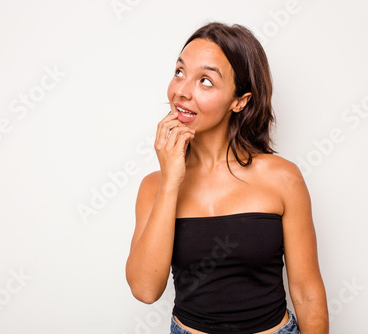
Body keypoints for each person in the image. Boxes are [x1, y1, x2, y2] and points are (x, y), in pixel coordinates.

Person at [125, 22, 329, 334]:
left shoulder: (282, 178)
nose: (181, 90)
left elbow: (307, 292)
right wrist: (171, 182)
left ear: (240, 100)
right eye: (180, 72)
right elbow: (145, 289)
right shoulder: (155, 186)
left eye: (205, 81)